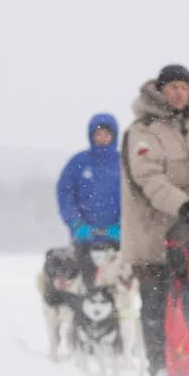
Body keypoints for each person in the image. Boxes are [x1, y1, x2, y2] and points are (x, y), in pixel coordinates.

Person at [120, 64, 189, 376]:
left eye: (184, 87)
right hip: (152, 231)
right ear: (159, 90)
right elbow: (148, 178)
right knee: (155, 302)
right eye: (171, 87)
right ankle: (158, 368)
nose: (178, 93)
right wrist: (184, 205)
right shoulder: (143, 130)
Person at [56, 114, 121, 286]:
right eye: (98, 134)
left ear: (114, 136)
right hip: (83, 238)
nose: (102, 138)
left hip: (117, 240)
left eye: (107, 134)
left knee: (116, 288)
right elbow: (65, 193)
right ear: (91, 136)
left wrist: (123, 225)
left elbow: (133, 197)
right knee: (84, 287)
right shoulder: (78, 162)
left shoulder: (124, 163)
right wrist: (76, 223)